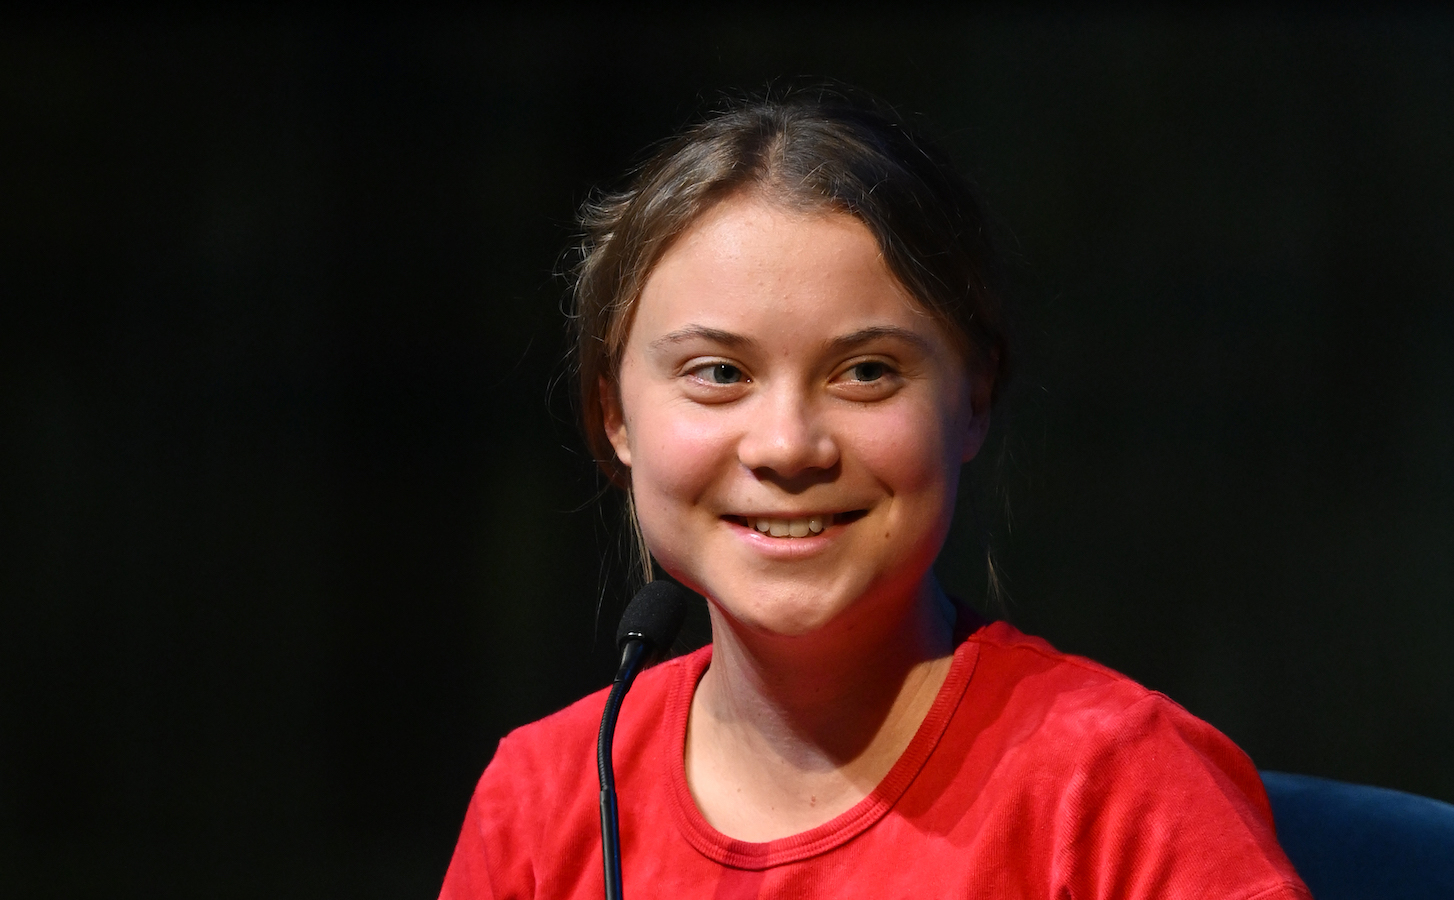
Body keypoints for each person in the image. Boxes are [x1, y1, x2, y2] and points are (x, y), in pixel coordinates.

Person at [439, 90, 1311, 899]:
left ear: (972, 399)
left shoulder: (1119, 787)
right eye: (718, 373)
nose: (787, 446)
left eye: (865, 372)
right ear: (614, 416)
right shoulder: (541, 803)